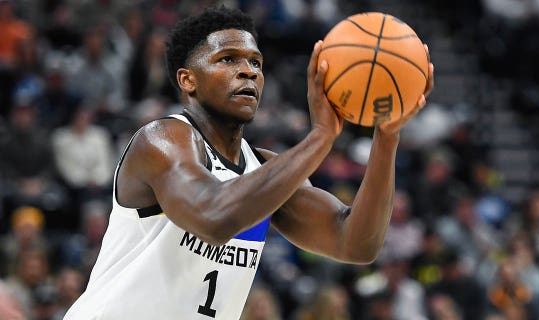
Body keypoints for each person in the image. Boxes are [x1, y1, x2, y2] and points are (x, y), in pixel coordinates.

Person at [64, 6, 434, 320]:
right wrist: (321, 136)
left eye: (255, 62)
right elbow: (214, 217)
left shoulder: (264, 170)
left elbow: (355, 244)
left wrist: (386, 138)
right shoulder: (161, 140)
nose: (249, 71)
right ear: (187, 80)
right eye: (228, 59)